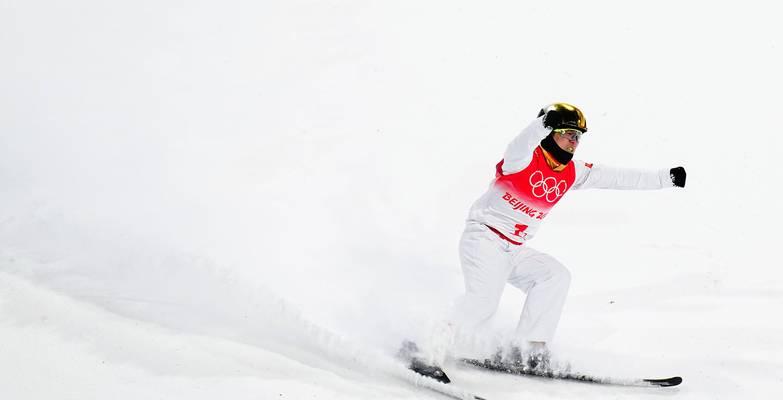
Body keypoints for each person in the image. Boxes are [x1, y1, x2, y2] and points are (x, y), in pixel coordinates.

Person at [404, 103, 686, 381]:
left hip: (514, 248)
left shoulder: (572, 172)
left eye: (578, 137)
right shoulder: (522, 160)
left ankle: (528, 350)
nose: (574, 142)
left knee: (554, 276)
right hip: (484, 238)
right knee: (483, 301)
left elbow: (618, 177)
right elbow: (519, 143)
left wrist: (666, 178)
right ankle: (425, 348)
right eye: (568, 134)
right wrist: (541, 123)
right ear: (550, 133)